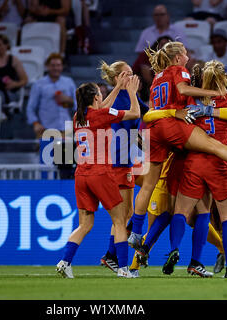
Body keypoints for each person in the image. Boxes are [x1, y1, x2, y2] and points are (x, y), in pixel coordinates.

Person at [128, 41, 227, 249]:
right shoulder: (185, 75)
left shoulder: (157, 78)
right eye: (185, 53)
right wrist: (215, 95)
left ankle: (136, 234)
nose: (187, 56)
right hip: (198, 156)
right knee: (213, 151)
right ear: (177, 58)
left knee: (157, 196)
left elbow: (151, 113)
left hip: (157, 133)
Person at [56, 78, 141, 279]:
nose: (103, 97)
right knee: (120, 221)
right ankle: (123, 269)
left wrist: (118, 87)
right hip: (101, 174)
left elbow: (101, 108)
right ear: (95, 97)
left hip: (81, 175)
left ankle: (65, 261)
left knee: (84, 224)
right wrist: (131, 92)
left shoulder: (79, 116)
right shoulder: (102, 115)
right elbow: (135, 113)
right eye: (100, 94)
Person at [97, 61, 149, 274]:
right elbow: (133, 118)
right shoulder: (119, 97)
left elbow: (149, 114)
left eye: (133, 73)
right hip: (117, 161)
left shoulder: (130, 95)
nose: (133, 77)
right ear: (118, 77)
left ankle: (112, 255)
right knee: (123, 215)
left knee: (127, 212)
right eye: (127, 74)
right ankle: (114, 257)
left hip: (125, 160)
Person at [26, 53, 76, 138]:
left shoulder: (69, 82)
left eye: (58, 65)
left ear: (62, 67)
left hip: (66, 129)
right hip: (45, 129)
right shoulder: (38, 84)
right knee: (46, 151)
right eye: (53, 65)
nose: (56, 68)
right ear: (47, 66)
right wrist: (35, 123)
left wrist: (68, 100)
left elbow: (79, 105)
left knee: (66, 152)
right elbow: (30, 108)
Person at [0, 34, 28, 104]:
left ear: (6, 45)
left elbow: (25, 80)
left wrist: (15, 84)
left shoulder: (13, 60)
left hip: (8, 92)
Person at [133, 35, 172, 102]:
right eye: (162, 44)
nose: (164, 48)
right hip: (143, 82)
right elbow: (146, 76)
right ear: (157, 45)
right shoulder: (146, 55)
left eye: (168, 46)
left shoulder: (172, 58)